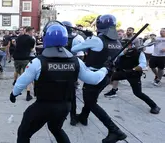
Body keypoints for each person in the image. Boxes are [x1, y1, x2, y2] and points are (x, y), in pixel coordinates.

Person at [9, 23, 110, 143]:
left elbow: (21, 82)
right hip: (64, 106)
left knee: (23, 133)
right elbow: (93, 79)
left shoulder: (38, 62)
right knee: (56, 128)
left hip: (43, 106)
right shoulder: (76, 61)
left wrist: (14, 94)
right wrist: (105, 69)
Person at [71, 14, 127, 143]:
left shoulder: (97, 40)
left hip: (94, 75)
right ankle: (84, 117)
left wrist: (89, 38)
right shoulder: (117, 42)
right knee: (92, 99)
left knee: (91, 102)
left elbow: (74, 49)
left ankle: (115, 130)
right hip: (107, 76)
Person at [110, 43, 161, 114]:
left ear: (131, 45)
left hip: (133, 74)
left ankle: (154, 106)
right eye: (123, 45)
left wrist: (133, 69)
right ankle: (95, 97)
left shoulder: (139, 53)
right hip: (122, 72)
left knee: (138, 93)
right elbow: (113, 58)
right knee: (108, 79)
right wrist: (122, 53)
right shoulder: (120, 52)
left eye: (127, 45)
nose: (125, 47)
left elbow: (143, 64)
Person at [13, 27, 36, 101]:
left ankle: (16, 91)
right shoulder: (31, 39)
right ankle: (28, 94)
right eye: (32, 32)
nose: (33, 33)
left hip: (16, 58)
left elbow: (16, 45)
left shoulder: (19, 38)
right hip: (25, 58)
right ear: (29, 32)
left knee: (19, 73)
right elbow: (32, 49)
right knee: (28, 75)